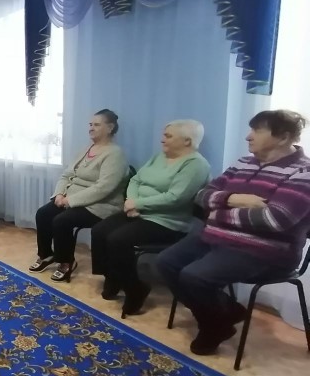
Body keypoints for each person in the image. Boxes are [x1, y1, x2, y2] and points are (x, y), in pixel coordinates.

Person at [157, 110, 310, 356]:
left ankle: (212, 326)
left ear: (283, 137)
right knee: (165, 262)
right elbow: (202, 196)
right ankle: (224, 314)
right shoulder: (243, 163)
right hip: (216, 236)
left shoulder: (304, 173)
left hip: (266, 250)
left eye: (257, 130)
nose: (248, 137)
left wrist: (218, 213)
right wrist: (234, 199)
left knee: (195, 276)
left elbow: (274, 219)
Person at [91, 120, 211, 316]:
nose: (162, 139)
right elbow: (136, 179)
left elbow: (176, 198)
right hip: (139, 211)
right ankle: (113, 277)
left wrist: (138, 204)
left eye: (168, 136)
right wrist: (131, 201)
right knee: (99, 231)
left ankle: (135, 289)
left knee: (117, 240)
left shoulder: (196, 165)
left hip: (168, 221)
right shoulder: (159, 157)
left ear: (187, 141)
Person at [30, 109, 128, 283]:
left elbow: (104, 188)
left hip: (100, 205)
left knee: (62, 221)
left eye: (96, 125)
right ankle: (46, 255)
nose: (91, 128)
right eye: (90, 124)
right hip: (72, 199)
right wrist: (59, 194)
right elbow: (66, 175)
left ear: (110, 128)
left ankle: (66, 262)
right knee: (43, 213)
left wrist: (70, 200)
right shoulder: (86, 149)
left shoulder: (115, 154)